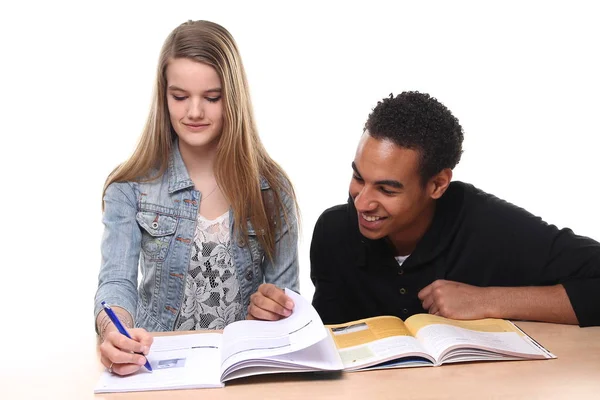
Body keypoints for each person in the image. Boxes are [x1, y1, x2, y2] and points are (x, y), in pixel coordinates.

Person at [250, 91, 600, 327]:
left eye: (387, 189)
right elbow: (332, 338)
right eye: (359, 177)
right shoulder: (334, 232)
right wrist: (284, 323)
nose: (362, 201)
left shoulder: (489, 225)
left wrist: (490, 300)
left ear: (437, 185)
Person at [94, 20, 299, 376]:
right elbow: (116, 282)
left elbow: (288, 298)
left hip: (243, 371)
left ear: (232, 98)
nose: (194, 112)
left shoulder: (271, 188)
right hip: (157, 369)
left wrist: (274, 309)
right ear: (164, 96)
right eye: (180, 96)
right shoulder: (130, 187)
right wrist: (114, 330)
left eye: (211, 97)